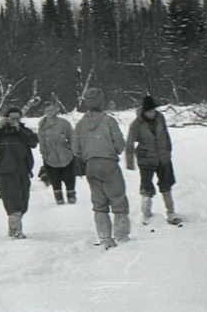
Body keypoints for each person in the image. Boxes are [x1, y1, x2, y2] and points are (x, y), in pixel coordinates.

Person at [73, 88, 131, 249]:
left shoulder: (80, 124)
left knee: (99, 203)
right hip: (109, 164)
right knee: (118, 200)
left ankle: (105, 237)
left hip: (91, 165)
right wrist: (112, 150)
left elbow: (75, 148)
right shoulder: (109, 121)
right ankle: (122, 236)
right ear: (100, 101)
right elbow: (120, 145)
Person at [0, 106, 38, 239]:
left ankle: (13, 228)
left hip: (23, 169)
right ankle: (16, 230)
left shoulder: (23, 131)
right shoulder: (1, 132)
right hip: (7, 169)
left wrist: (20, 129)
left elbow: (34, 142)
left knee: (23, 200)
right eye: (11, 118)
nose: (14, 121)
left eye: (17, 118)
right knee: (13, 200)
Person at [125, 96, 182, 225]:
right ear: (144, 111)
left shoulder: (160, 118)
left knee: (166, 185)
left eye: (153, 111)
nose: (152, 113)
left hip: (163, 157)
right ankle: (146, 214)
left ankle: (171, 212)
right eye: (149, 111)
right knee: (146, 188)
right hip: (146, 160)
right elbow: (129, 144)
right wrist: (130, 163)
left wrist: (168, 151)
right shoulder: (136, 124)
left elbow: (166, 135)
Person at [37, 100, 77, 205]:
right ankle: (59, 199)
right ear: (44, 112)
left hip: (65, 155)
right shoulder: (42, 126)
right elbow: (42, 142)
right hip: (51, 157)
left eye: (51, 110)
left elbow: (72, 138)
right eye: (47, 111)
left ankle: (71, 197)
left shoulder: (64, 123)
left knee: (69, 178)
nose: (49, 112)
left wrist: (71, 151)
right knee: (55, 179)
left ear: (55, 110)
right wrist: (45, 154)